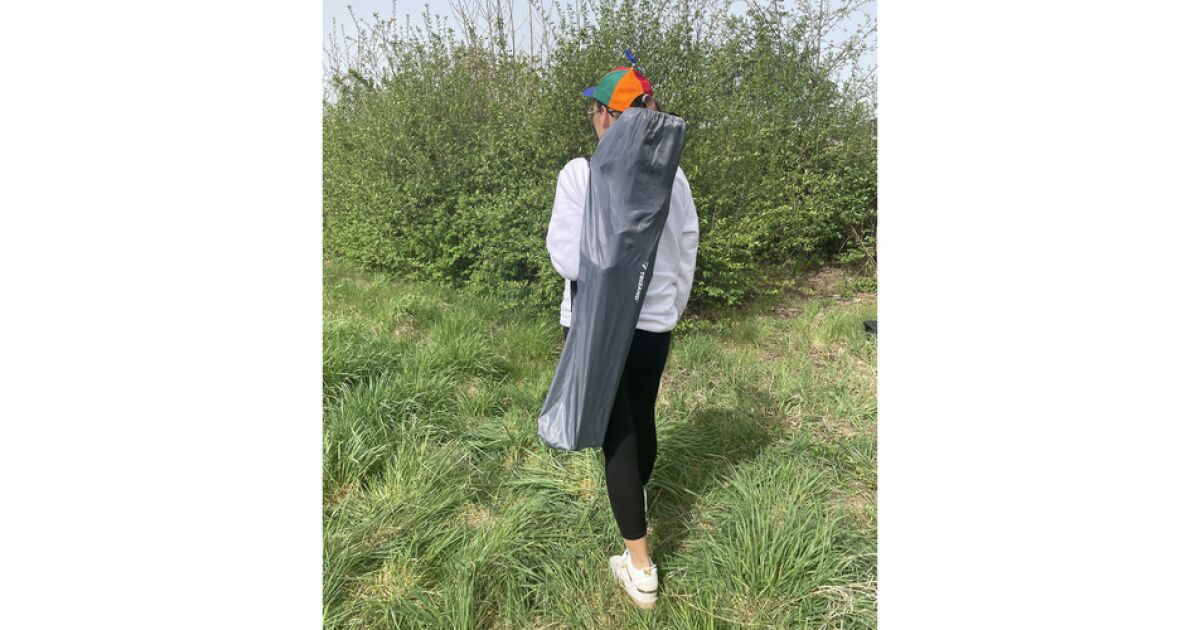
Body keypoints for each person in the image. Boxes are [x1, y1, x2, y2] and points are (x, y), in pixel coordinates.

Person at [545, 63, 700, 610]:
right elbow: (687, 243)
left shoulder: (582, 175)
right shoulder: (674, 176)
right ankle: (635, 501)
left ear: (608, 118)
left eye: (596, 110)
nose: (593, 118)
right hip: (656, 323)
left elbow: (568, 259)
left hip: (599, 325)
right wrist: (671, 306)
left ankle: (639, 567)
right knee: (642, 417)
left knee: (618, 434)